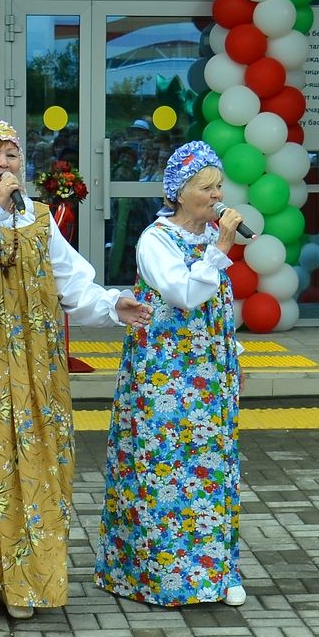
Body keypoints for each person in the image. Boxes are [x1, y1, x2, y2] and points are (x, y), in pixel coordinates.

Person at [0, 117, 152, 623]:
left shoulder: (38, 218)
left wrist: (114, 307)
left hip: (29, 363)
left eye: (11, 156)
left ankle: (23, 580)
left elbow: (72, 285)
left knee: (32, 462)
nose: (4, 165)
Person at [95, 141, 246, 608]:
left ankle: (216, 571)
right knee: (162, 467)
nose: (216, 195)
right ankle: (157, 573)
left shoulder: (207, 239)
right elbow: (184, 294)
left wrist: (230, 351)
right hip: (165, 374)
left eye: (219, 185)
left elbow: (216, 306)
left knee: (211, 469)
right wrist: (220, 248)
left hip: (208, 371)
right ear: (179, 193)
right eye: (206, 187)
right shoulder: (155, 239)